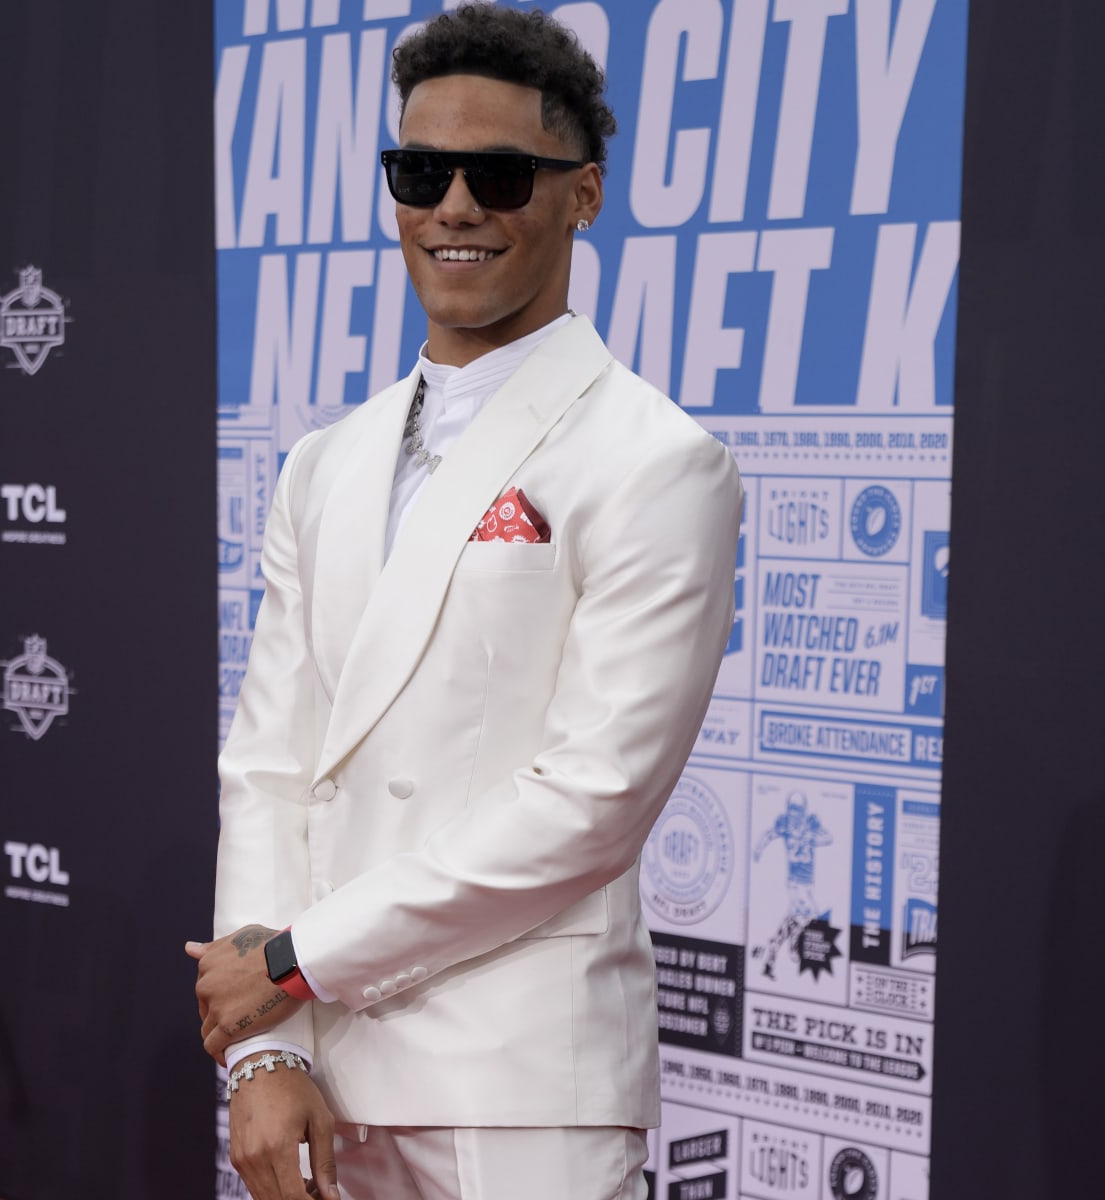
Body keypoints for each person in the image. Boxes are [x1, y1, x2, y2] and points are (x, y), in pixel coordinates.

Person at [184, 7, 742, 1199]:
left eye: (499, 174)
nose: (455, 207)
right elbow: (273, 767)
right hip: (321, 1078)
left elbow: (592, 803)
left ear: (584, 195)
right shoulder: (320, 464)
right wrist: (266, 1052)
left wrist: (290, 964)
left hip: (523, 1095)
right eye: (420, 171)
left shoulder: (658, 461)